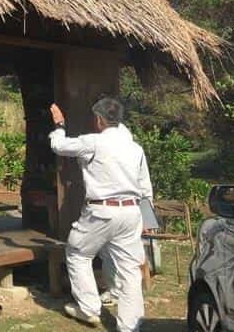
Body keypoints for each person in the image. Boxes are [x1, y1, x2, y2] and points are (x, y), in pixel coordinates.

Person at [49, 97, 153, 332]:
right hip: (131, 212)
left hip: (102, 212)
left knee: (77, 253)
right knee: (129, 270)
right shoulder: (136, 149)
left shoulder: (93, 142)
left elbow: (59, 146)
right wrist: (148, 220)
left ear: (98, 120)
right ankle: (130, 326)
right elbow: (145, 188)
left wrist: (59, 125)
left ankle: (88, 309)